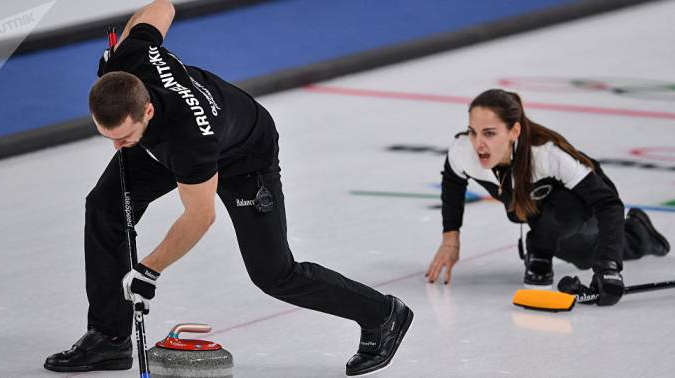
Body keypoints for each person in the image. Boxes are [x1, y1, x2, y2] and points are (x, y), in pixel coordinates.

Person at [43, 1, 412, 376]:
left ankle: (383, 314)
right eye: (107, 136)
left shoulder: (190, 142)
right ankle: (110, 338)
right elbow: (162, 7)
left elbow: (200, 216)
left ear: (147, 111)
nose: (116, 146)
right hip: (164, 143)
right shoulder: (130, 59)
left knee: (273, 273)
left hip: (243, 154)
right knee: (105, 207)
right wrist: (120, 50)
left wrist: (148, 270)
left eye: (122, 136)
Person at [426, 89, 670, 305]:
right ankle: (639, 233)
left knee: (576, 237)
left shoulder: (545, 154)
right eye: (473, 132)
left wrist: (608, 267)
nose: (478, 143)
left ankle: (541, 249)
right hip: (543, 213)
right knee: (583, 257)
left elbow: (608, 204)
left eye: (489, 133)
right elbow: (452, 182)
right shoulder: (463, 151)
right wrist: (451, 240)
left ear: (514, 131)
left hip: (584, 203)